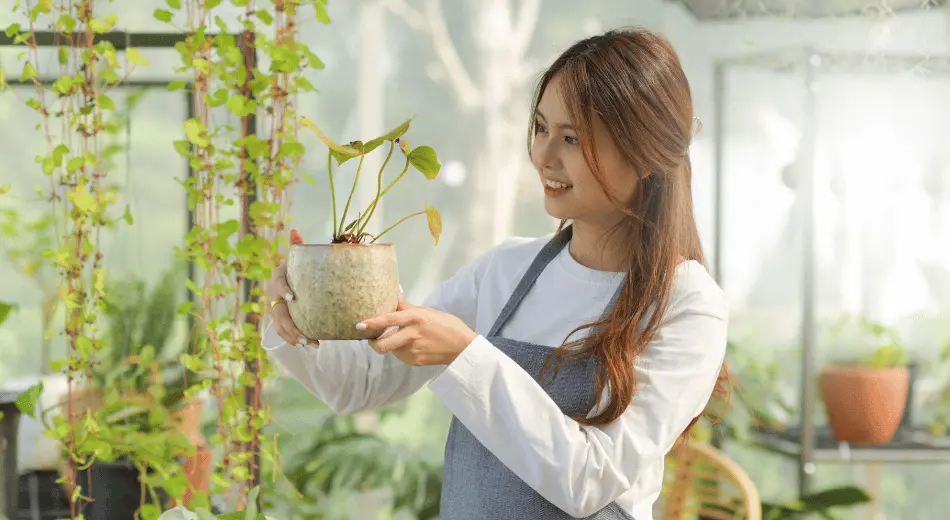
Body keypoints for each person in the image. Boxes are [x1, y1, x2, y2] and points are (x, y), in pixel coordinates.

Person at [263, 27, 729, 520]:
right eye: (541, 128)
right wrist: (299, 309)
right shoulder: (506, 269)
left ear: (645, 153)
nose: (543, 157)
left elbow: (590, 479)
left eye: (572, 138)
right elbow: (358, 384)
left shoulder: (688, 304)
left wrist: (464, 354)